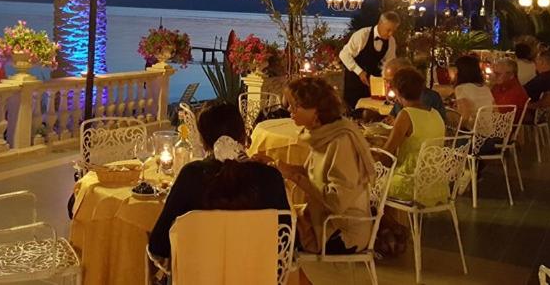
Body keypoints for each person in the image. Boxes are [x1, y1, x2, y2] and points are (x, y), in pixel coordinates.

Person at [148, 103, 289, 259]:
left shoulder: (191, 176)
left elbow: (158, 244)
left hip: (199, 271)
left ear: (202, 141)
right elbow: (286, 241)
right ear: (243, 135)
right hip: (258, 271)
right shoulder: (270, 177)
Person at [276, 77, 376, 255]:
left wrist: (295, 177)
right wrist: (277, 166)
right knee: (273, 220)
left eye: (295, 106)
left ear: (316, 110)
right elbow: (309, 172)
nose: (290, 110)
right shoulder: (323, 134)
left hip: (341, 230)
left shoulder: (341, 141)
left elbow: (337, 201)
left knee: (275, 233)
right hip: (321, 218)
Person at [384, 67, 447, 205]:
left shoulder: (406, 115)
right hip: (436, 183)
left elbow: (387, 153)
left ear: (397, 91)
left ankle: (390, 219)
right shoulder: (435, 114)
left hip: (411, 183)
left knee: (368, 181)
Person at [340, 11, 401, 113]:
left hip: (373, 85)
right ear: (380, 24)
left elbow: (390, 63)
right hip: (354, 80)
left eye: (393, 31)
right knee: (354, 110)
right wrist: (359, 72)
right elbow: (344, 55)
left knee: (373, 112)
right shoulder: (362, 35)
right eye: (388, 30)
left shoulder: (391, 41)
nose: (390, 34)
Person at [380, 57, 447, 121]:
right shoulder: (400, 98)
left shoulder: (426, 98)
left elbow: (418, 123)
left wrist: (397, 123)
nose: (388, 85)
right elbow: (391, 117)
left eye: (392, 80)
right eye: (386, 81)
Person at [454, 55, 495, 126]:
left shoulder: (461, 88)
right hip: (490, 129)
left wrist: (455, 128)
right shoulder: (486, 88)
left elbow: (465, 117)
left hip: (474, 130)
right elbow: (495, 110)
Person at [490, 57, 529, 121]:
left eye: (498, 74)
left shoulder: (515, 92)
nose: (494, 76)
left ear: (511, 75)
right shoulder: (499, 86)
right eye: (494, 73)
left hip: (506, 124)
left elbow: (500, 113)